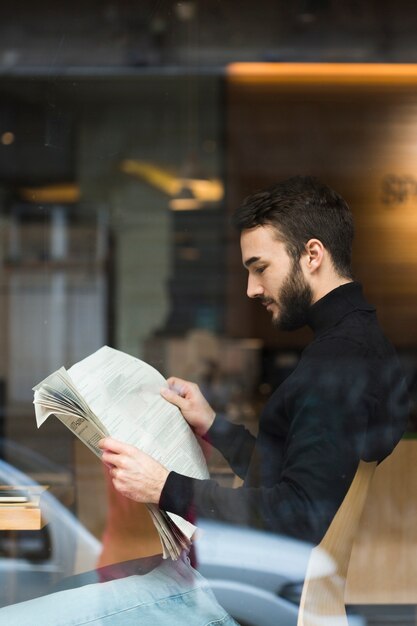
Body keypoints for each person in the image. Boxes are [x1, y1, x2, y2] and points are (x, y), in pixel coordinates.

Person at [99, 175, 409, 545]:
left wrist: (164, 487)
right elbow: (294, 472)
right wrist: (214, 425)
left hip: (261, 589)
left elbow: (297, 512)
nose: (252, 288)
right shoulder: (357, 342)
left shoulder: (337, 361)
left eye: (260, 267)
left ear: (312, 255)